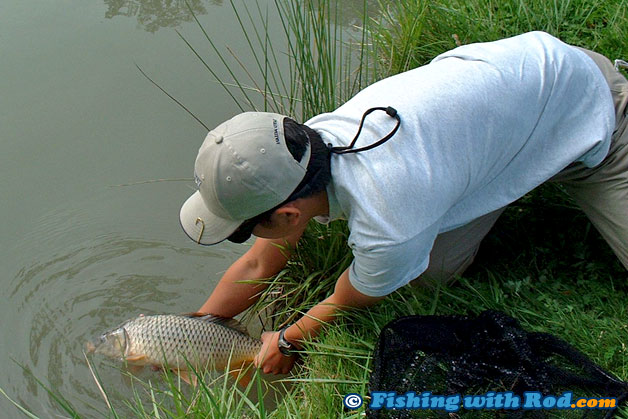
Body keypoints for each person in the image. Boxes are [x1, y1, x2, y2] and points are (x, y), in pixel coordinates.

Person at [179, 31, 628, 375]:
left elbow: (351, 295)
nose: (246, 240)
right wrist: (191, 328)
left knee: (408, 262)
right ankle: (509, 169)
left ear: (286, 214)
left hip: (589, 106)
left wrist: (292, 340)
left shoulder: (388, 218)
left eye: (243, 229)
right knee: (429, 272)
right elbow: (260, 265)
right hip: (508, 102)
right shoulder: (301, 148)